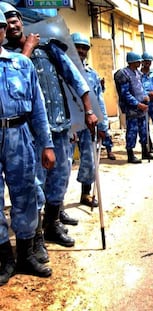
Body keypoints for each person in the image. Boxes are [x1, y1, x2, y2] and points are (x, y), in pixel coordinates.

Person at [1, 3, 98, 252]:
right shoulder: (9, 57)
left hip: (59, 126)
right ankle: (36, 237)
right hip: (27, 135)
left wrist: (88, 111)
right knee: (34, 187)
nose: (11, 26)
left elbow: (74, 77)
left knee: (59, 180)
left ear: (21, 22)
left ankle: (53, 224)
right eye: (6, 22)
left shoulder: (47, 47)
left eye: (15, 21)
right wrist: (26, 49)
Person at [0, 9, 55, 286]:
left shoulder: (21, 65)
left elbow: (38, 109)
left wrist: (46, 144)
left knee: (26, 195)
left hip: (19, 135)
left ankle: (26, 254)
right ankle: (4, 258)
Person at [71, 32, 112, 208]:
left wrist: (103, 125)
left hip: (89, 123)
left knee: (89, 160)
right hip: (67, 123)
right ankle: (54, 208)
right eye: (77, 47)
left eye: (84, 48)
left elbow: (99, 100)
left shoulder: (92, 74)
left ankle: (86, 194)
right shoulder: (59, 70)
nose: (80, 51)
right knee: (63, 165)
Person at [114, 51, 153, 163]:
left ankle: (145, 151)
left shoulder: (137, 73)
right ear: (133, 62)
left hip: (142, 105)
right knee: (132, 131)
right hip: (132, 108)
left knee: (144, 130)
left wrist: (145, 97)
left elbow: (140, 88)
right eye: (138, 61)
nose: (140, 63)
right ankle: (130, 154)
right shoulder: (124, 74)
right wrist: (138, 104)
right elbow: (125, 94)